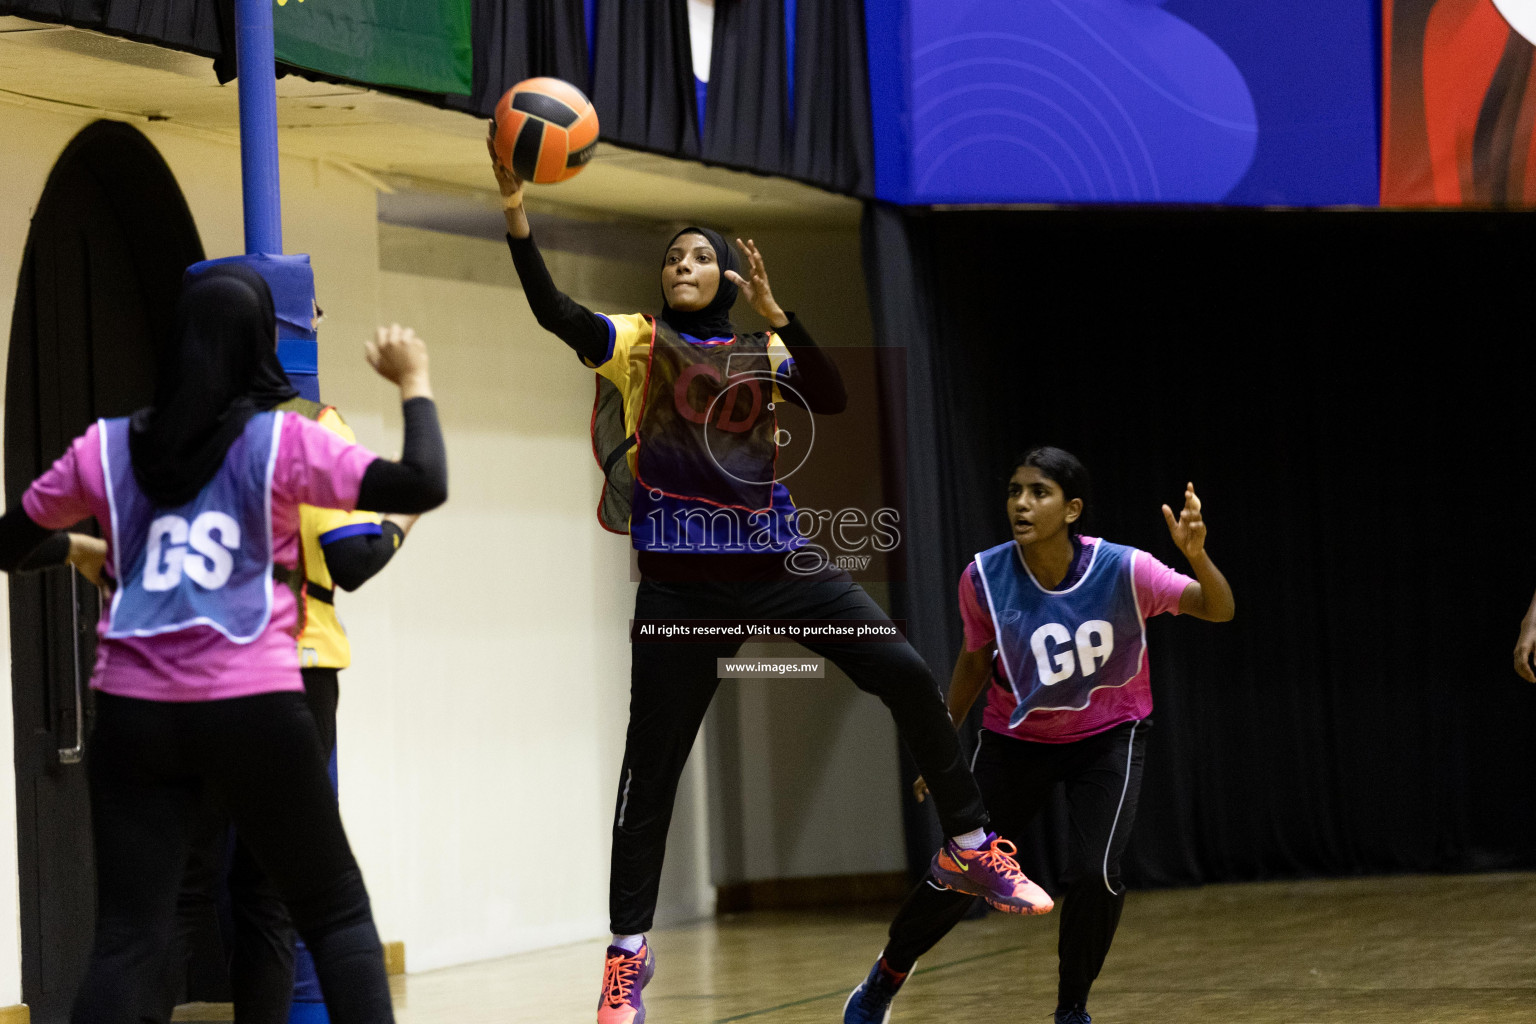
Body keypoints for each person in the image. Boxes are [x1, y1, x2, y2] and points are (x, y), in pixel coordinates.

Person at [488, 134, 1050, 1024]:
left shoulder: (762, 350)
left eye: (700, 254)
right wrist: (517, 212)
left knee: (903, 669)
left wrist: (783, 313)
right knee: (652, 770)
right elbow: (554, 310)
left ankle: (971, 844)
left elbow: (829, 392)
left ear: (726, 278)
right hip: (681, 589)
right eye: (672, 256)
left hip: (779, 564)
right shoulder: (636, 344)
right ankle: (627, 958)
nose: (683, 263)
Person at [0, 264, 447, 1024]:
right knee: (333, 913)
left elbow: (11, 542)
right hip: (252, 703)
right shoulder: (283, 440)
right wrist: (414, 381)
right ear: (258, 346)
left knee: (127, 936)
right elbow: (422, 482)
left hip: (134, 712)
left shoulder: (104, 448)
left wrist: (84, 548)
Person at [843, 447, 1235, 1024]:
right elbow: (974, 663)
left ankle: (1071, 1009)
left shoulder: (1127, 570)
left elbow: (1218, 609)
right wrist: (943, 745)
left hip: (1109, 737)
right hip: (1017, 741)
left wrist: (1198, 558)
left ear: (1072, 509)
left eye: (1039, 492)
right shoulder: (983, 577)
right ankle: (884, 978)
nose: (1021, 504)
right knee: (962, 868)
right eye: (1014, 491)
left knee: (1097, 873)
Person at [157, 288, 421, 1024]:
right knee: (289, 887)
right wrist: (403, 514)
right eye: (308, 316)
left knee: (180, 885)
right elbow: (356, 557)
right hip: (290, 665)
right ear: (271, 334)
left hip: (185, 670)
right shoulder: (305, 427)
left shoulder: (153, 436)